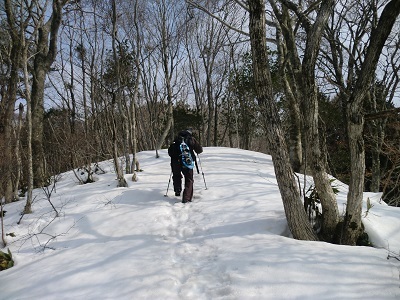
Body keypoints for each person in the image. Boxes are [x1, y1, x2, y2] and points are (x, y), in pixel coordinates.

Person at [168, 129, 203, 203]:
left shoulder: (176, 140)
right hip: (187, 162)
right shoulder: (191, 139)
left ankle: (177, 190)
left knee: (176, 176)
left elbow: (170, 152)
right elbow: (199, 150)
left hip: (175, 162)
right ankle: (186, 198)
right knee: (189, 179)